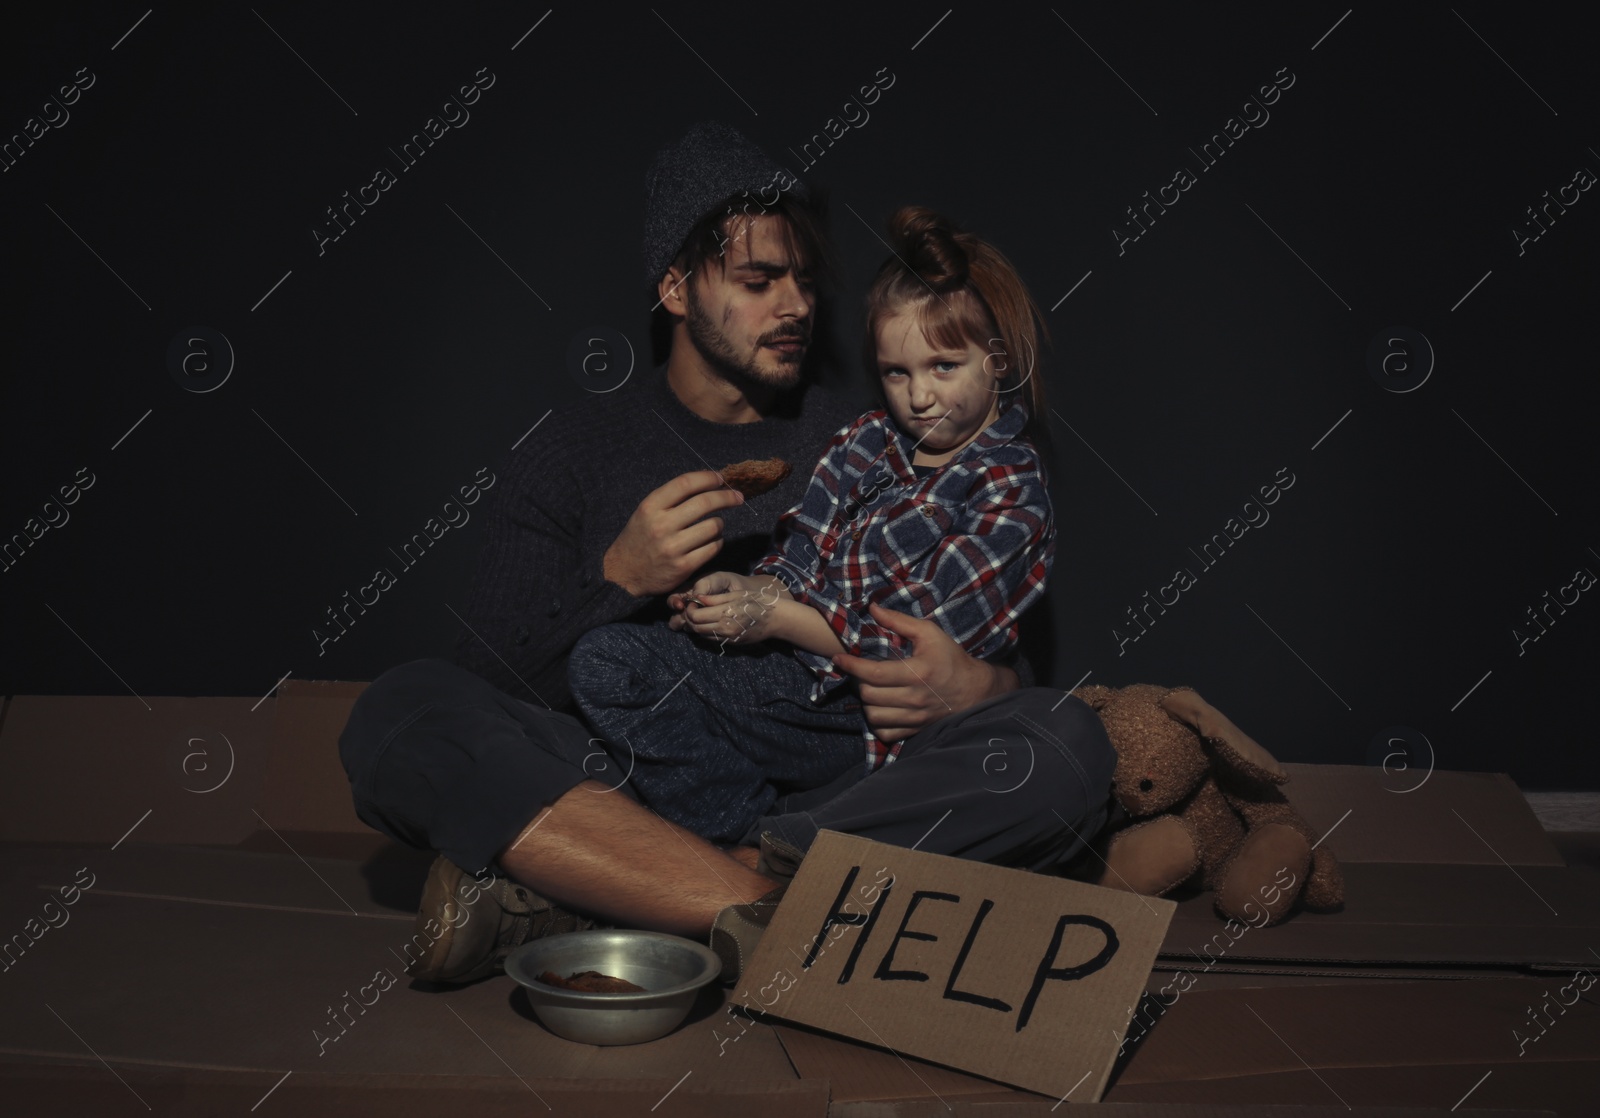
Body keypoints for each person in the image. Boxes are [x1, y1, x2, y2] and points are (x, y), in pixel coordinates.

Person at [337, 121, 1116, 986]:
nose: (795, 307)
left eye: (804, 281)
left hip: (847, 791)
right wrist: (618, 579)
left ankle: (621, 894)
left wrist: (986, 685)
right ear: (675, 287)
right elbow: (488, 686)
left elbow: (960, 618)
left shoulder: (861, 434)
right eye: (758, 281)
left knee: (1069, 744)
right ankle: (752, 895)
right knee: (402, 712)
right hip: (629, 788)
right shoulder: (572, 452)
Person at [568, 205, 1057, 846]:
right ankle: (751, 834)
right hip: (789, 683)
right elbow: (800, 553)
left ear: (997, 362)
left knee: (1063, 746)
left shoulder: (1009, 487)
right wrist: (746, 597)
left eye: (944, 367)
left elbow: (909, 653)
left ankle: (758, 843)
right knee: (606, 665)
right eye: (895, 372)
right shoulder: (864, 439)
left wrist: (776, 618)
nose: (919, 396)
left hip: (873, 716)